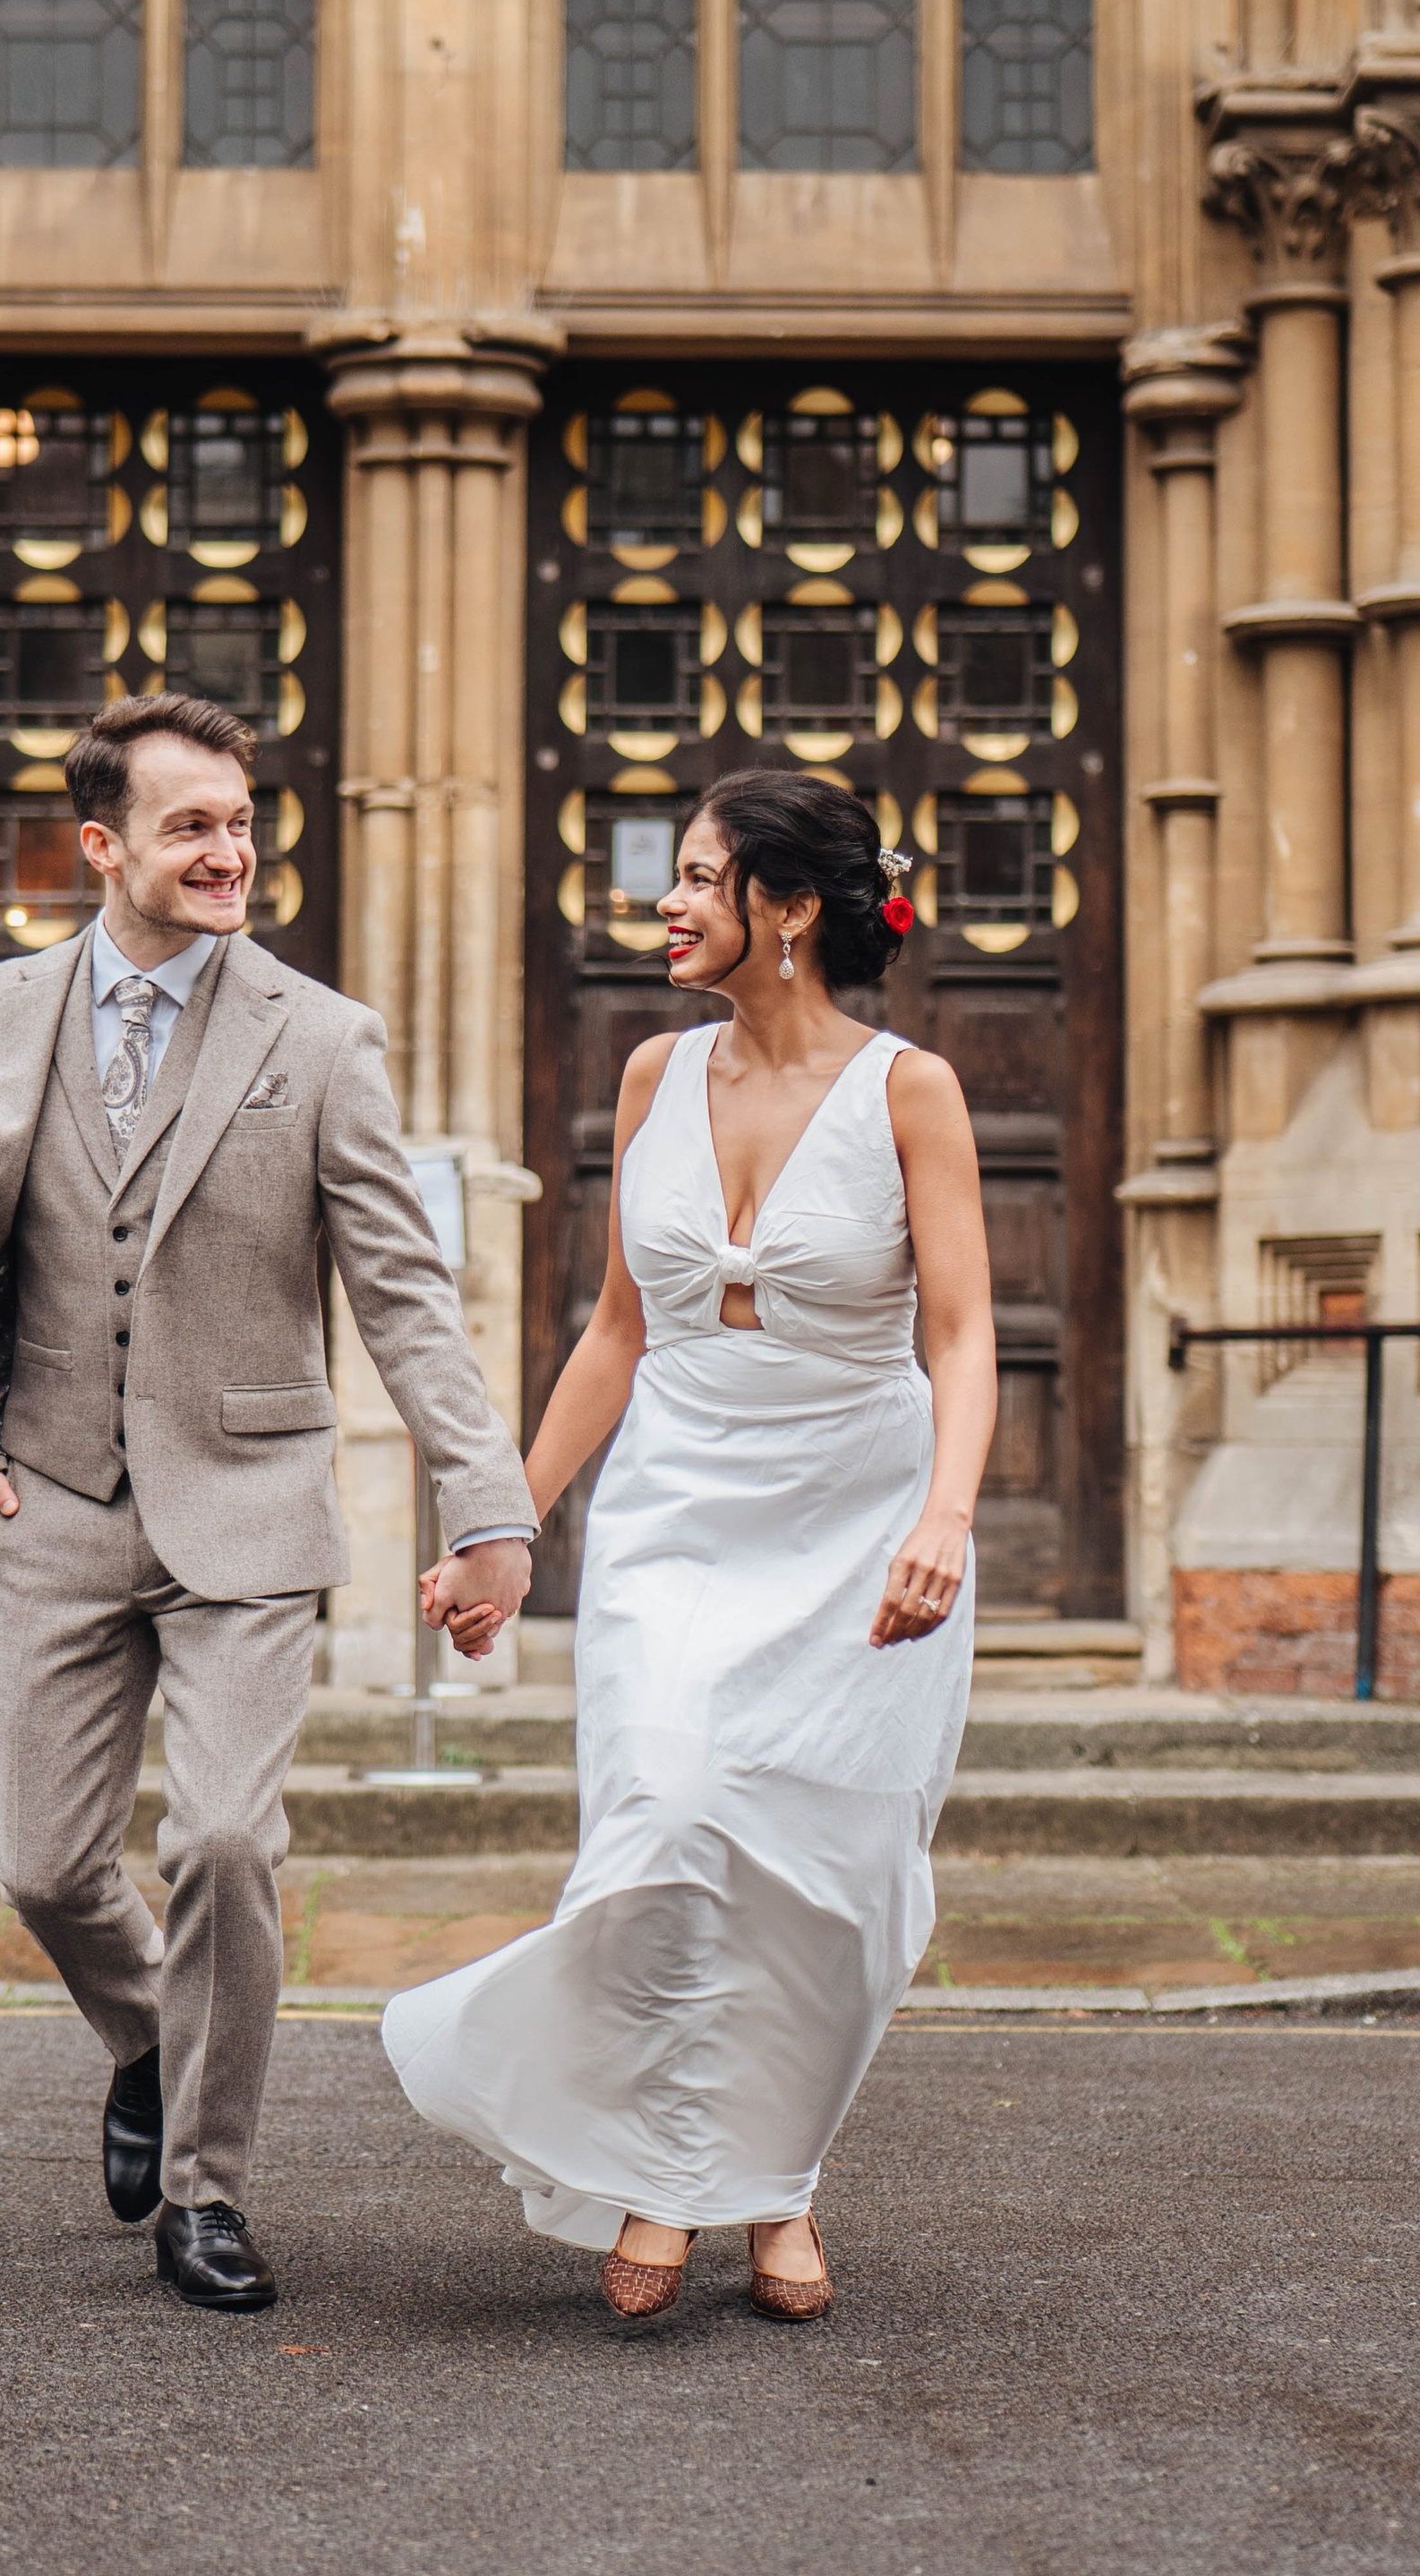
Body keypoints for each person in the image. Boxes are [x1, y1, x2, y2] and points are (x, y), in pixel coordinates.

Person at [0, 695, 535, 2312]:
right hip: (55, 1501)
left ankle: (209, 2194)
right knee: (40, 1862)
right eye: (193, 828)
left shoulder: (322, 1035)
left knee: (223, 1839)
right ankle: (152, 2039)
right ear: (103, 847)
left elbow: (404, 1296)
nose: (232, 854)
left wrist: (483, 1503)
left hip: (253, 1500)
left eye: (241, 823)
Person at [383, 770, 997, 2323]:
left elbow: (965, 1332)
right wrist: (502, 1524)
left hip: (861, 1513)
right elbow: (611, 1334)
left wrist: (946, 1515)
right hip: (676, 1514)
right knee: (662, 1832)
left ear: (788, 910)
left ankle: (776, 2182)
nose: (669, 903)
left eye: (703, 877)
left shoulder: (910, 1089)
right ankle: (666, 2170)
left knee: (826, 1884)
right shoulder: (654, 1073)